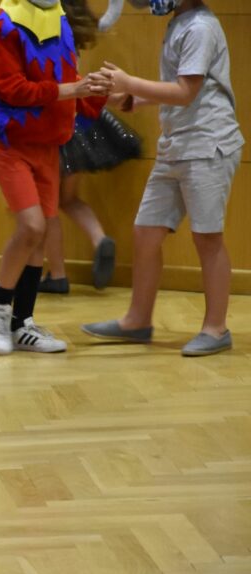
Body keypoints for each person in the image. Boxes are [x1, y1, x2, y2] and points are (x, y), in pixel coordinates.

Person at [82, 0, 242, 357]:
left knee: (207, 238)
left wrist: (130, 81)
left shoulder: (201, 27)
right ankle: (137, 320)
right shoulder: (180, 22)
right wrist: (125, 99)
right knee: (146, 232)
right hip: (177, 145)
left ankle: (216, 329)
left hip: (207, 145)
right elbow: (174, 91)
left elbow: (186, 92)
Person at [0, 0, 106, 355]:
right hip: (11, 143)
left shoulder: (59, 22)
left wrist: (101, 91)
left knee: (43, 229)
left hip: (48, 146)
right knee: (31, 227)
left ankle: (22, 323)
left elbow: (67, 79)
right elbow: (11, 89)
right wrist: (69, 91)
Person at [37, 0, 141, 294]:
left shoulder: (41, 30)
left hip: (55, 122)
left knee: (48, 206)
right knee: (68, 199)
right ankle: (98, 238)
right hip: (81, 124)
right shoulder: (75, 29)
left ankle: (56, 274)